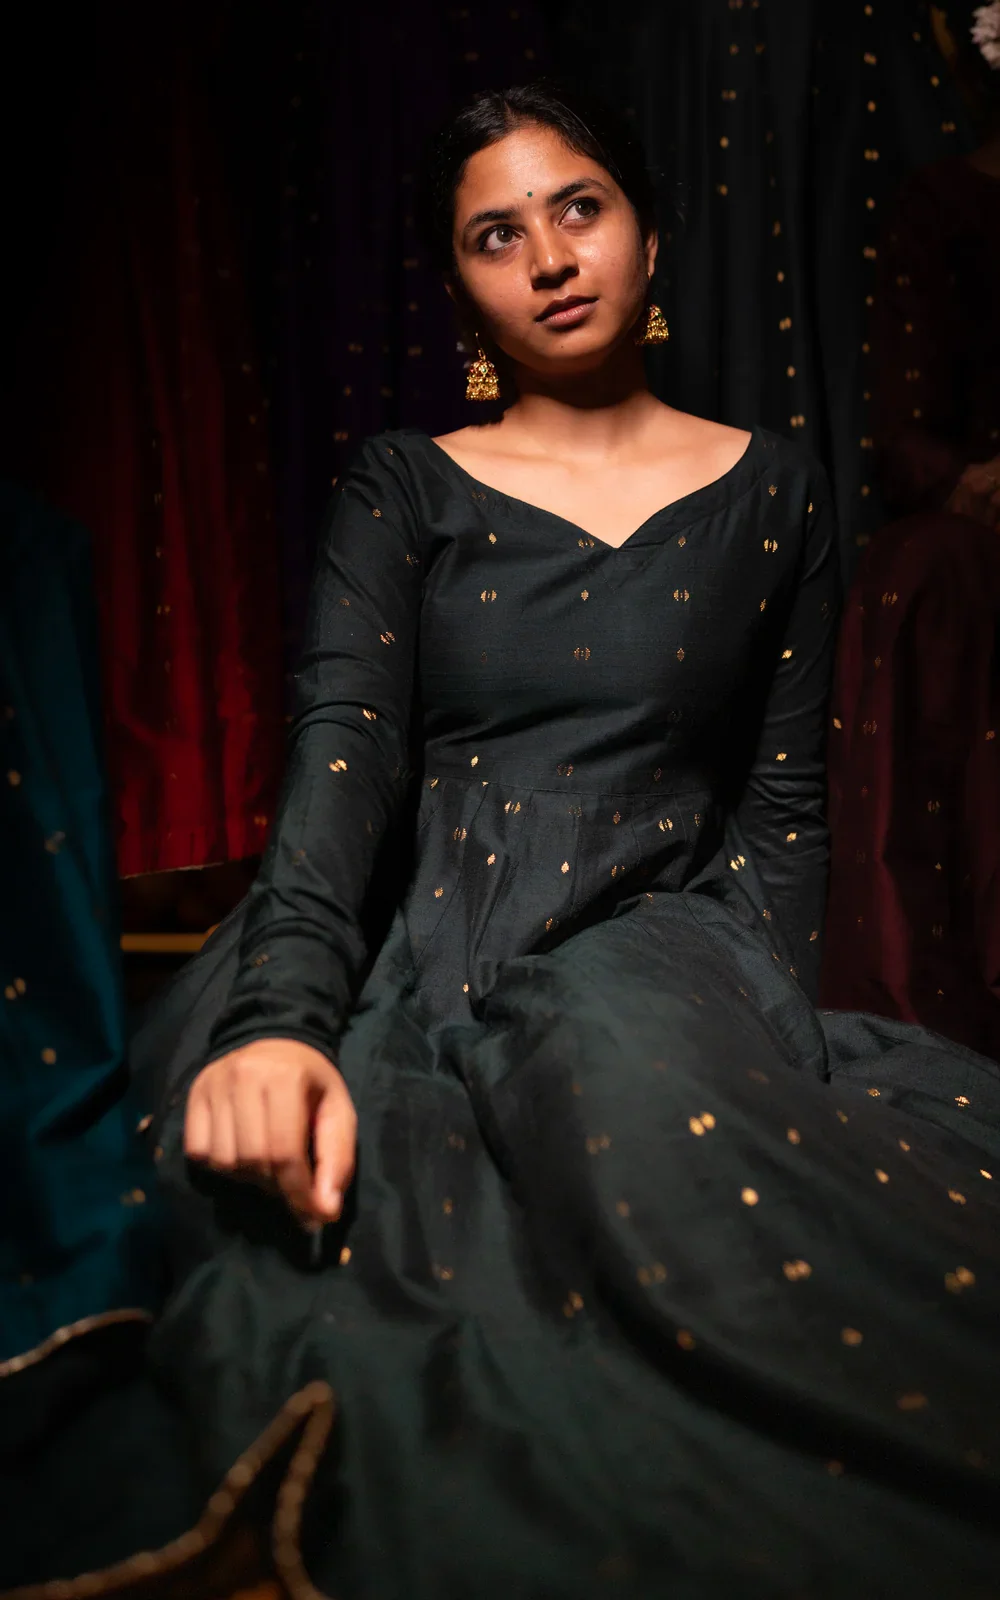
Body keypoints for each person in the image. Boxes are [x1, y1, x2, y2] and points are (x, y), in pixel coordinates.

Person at [7, 78, 1000, 1600]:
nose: (547, 257)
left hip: (657, 943)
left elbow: (783, 809)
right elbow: (340, 765)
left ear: (648, 235)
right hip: (408, 935)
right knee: (304, 1214)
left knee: (689, 1195)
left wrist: (766, 1034)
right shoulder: (404, 482)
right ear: (460, 287)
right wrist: (280, 1019)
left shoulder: (775, 489)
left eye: (579, 208)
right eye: (494, 234)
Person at [820, 11, 1000, 1059]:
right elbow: (905, 439)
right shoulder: (941, 207)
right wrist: (972, 482)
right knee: (923, 571)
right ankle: (927, 1009)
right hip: (980, 517)